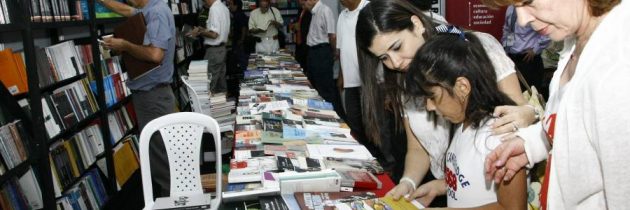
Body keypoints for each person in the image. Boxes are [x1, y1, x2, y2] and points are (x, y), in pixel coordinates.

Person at [355, 0, 531, 206]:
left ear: (416, 24)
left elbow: (516, 110)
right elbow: (419, 148)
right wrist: (410, 182)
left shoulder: (476, 48)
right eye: (384, 57)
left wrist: (529, 113)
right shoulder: (406, 78)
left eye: (397, 47)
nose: (394, 63)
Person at [481, 0, 630, 208]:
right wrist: (533, 144)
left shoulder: (618, 67)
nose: (523, 20)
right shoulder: (578, 38)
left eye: (529, 2)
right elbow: (576, 122)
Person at [405, 32, 528, 209]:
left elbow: (512, 207)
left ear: (462, 87)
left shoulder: (499, 136)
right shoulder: (462, 124)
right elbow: (471, 180)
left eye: (432, 96)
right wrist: (439, 187)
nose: (429, 107)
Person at [98, 0, 176, 196]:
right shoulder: (150, 9)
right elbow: (127, 10)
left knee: (162, 159)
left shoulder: (156, 12)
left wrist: (125, 45)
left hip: (153, 97)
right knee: (159, 155)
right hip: (153, 95)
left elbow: (155, 54)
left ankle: (173, 203)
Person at [336, 0, 385, 164]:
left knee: (375, 124)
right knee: (355, 124)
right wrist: (342, 75)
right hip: (350, 80)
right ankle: (369, 159)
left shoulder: (370, 8)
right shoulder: (342, 16)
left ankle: (385, 161)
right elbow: (341, 48)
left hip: (371, 81)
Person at [303, 0, 346, 120]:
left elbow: (332, 35)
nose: (302, 4)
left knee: (326, 88)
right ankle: (323, 115)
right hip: (314, 52)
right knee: (315, 87)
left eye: (304, 1)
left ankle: (337, 117)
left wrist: (334, 52)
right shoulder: (314, 12)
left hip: (322, 52)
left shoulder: (325, 10)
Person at [501, 5, 550, 90]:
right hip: (512, 60)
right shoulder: (510, 8)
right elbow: (508, 29)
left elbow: (547, 32)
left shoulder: (532, 9)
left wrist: (535, 49)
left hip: (528, 61)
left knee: (530, 96)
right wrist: (506, 49)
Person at [190, 0, 230, 94]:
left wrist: (199, 32)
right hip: (222, 49)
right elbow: (217, 31)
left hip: (214, 51)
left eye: (204, 1)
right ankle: (223, 107)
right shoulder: (224, 8)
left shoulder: (214, 8)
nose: (204, 3)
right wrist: (202, 29)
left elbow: (214, 34)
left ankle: (210, 107)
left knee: (210, 84)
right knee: (221, 83)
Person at [227, 0, 248, 73]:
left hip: (240, 42)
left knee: (242, 61)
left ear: (236, 5)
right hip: (237, 40)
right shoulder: (236, 14)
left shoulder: (239, 14)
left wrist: (241, 40)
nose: (229, 6)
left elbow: (244, 27)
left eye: (231, 4)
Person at [292, 0, 312, 74]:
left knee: (307, 68)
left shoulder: (311, 11)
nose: (299, 1)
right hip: (299, 43)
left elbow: (310, 27)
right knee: (299, 67)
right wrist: (294, 26)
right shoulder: (300, 10)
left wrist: (299, 27)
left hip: (306, 44)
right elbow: (298, 23)